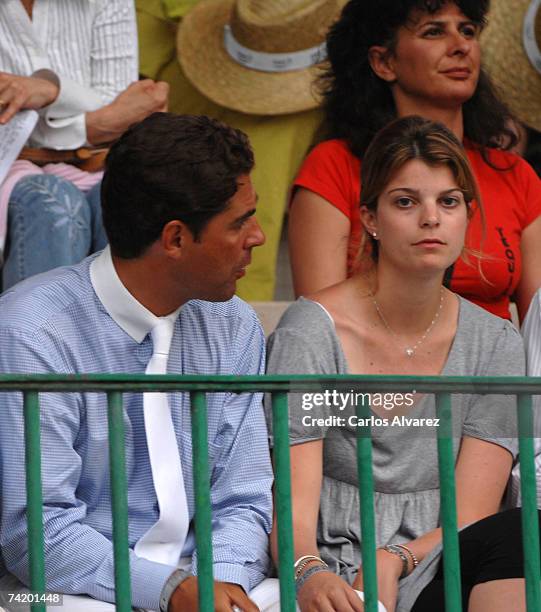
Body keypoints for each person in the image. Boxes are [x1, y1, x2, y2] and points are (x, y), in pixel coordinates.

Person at [0, 113, 278, 612]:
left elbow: (243, 498)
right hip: (69, 592)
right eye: (239, 222)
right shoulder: (30, 331)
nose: (257, 237)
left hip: (211, 582)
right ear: (174, 239)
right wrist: (170, 592)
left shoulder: (235, 325)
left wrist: (225, 588)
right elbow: (37, 532)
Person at [267, 116, 533, 611]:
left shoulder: (496, 341)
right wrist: (309, 574)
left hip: (439, 559)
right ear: (369, 218)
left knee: (524, 531)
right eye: (406, 202)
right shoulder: (311, 330)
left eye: (448, 202)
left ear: (467, 215)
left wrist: (397, 557)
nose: (430, 218)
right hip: (333, 566)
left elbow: (472, 514)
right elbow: (293, 511)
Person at [288, 0, 541, 321]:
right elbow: (320, 326)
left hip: (494, 367)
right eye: (434, 31)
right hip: (371, 368)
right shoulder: (333, 165)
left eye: (467, 31)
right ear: (383, 62)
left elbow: (539, 327)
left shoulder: (515, 175)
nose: (461, 45)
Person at [0, 0, 169, 290]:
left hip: (97, 163)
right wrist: (95, 123)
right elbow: (118, 113)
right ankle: (33, 335)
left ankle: (121, 337)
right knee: (52, 204)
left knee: (130, 197)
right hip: (8, 164)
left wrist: (50, 91)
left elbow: (126, 109)